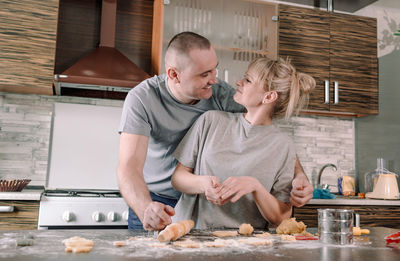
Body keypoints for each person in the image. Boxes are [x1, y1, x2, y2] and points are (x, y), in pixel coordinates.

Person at [117, 31, 313, 231]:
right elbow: (129, 166)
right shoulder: (143, 99)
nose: (214, 80)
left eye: (214, 70)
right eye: (204, 74)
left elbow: (267, 134)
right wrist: (146, 208)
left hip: (201, 202)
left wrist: (299, 176)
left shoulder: (222, 95)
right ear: (174, 75)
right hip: (155, 197)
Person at [171, 57, 315, 229]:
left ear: (269, 96)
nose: (238, 82)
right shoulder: (211, 121)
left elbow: (281, 218)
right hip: (192, 237)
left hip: (247, 244)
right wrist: (204, 185)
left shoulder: (283, 145)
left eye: (248, 80)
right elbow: (178, 178)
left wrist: (256, 187)